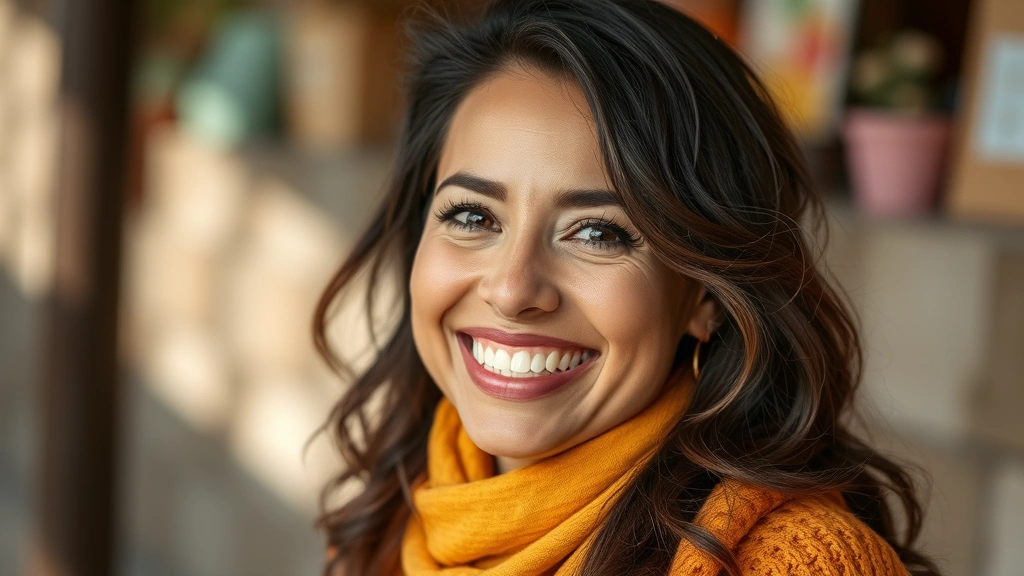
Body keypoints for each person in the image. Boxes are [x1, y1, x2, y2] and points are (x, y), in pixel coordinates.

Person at [312, 1, 940, 574]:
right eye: (473, 217)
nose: (512, 289)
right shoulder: (389, 519)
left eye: (597, 233)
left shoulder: (792, 563)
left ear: (707, 294)